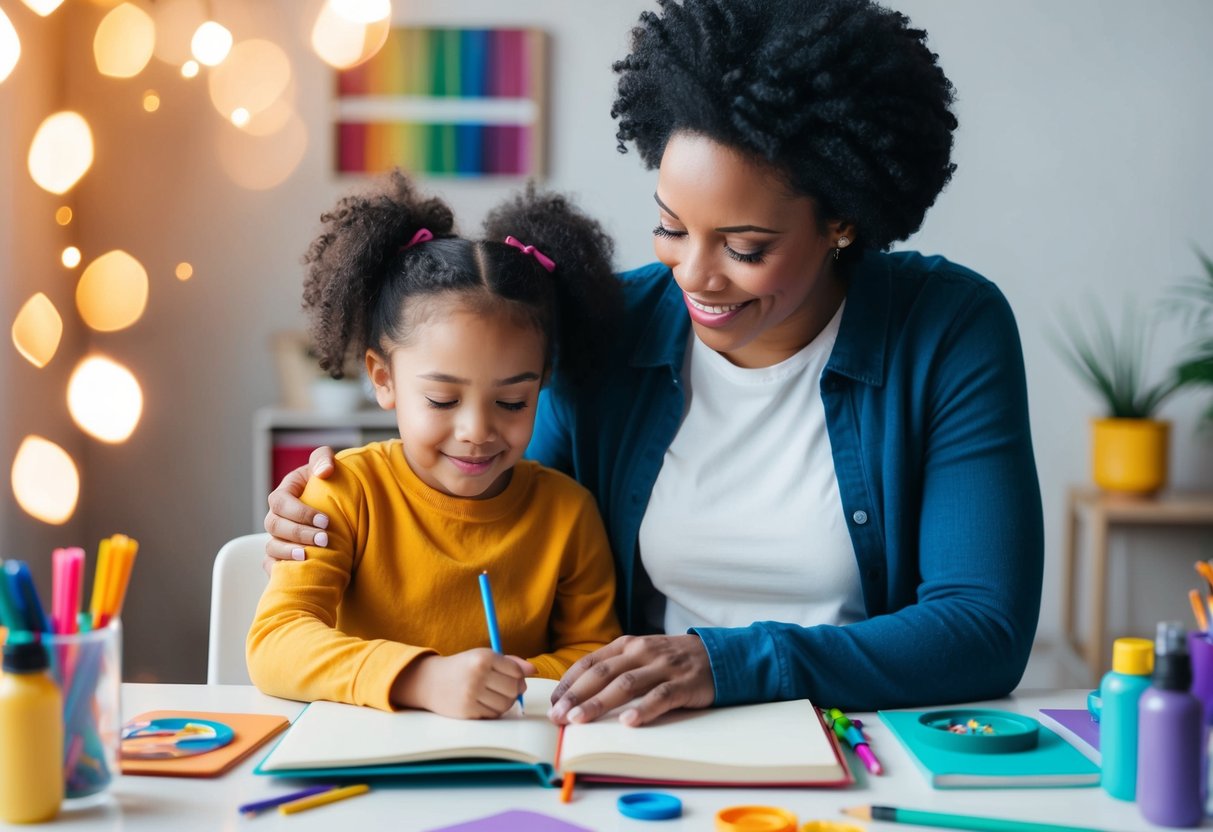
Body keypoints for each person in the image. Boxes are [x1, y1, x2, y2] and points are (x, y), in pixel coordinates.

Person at [264, 0, 1043, 726]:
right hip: (638, 731)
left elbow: (980, 628)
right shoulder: (608, 323)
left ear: (841, 220)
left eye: (743, 248)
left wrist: (727, 663)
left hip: (849, 731)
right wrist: (338, 500)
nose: (694, 277)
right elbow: (490, 505)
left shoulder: (946, 329)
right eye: (671, 228)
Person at [246, 170, 623, 718]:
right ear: (383, 379)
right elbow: (275, 643)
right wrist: (423, 679)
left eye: (513, 402)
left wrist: (502, 679)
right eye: (443, 401)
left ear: (542, 383)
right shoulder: (343, 495)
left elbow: (596, 654)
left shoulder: (569, 514)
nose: (476, 431)